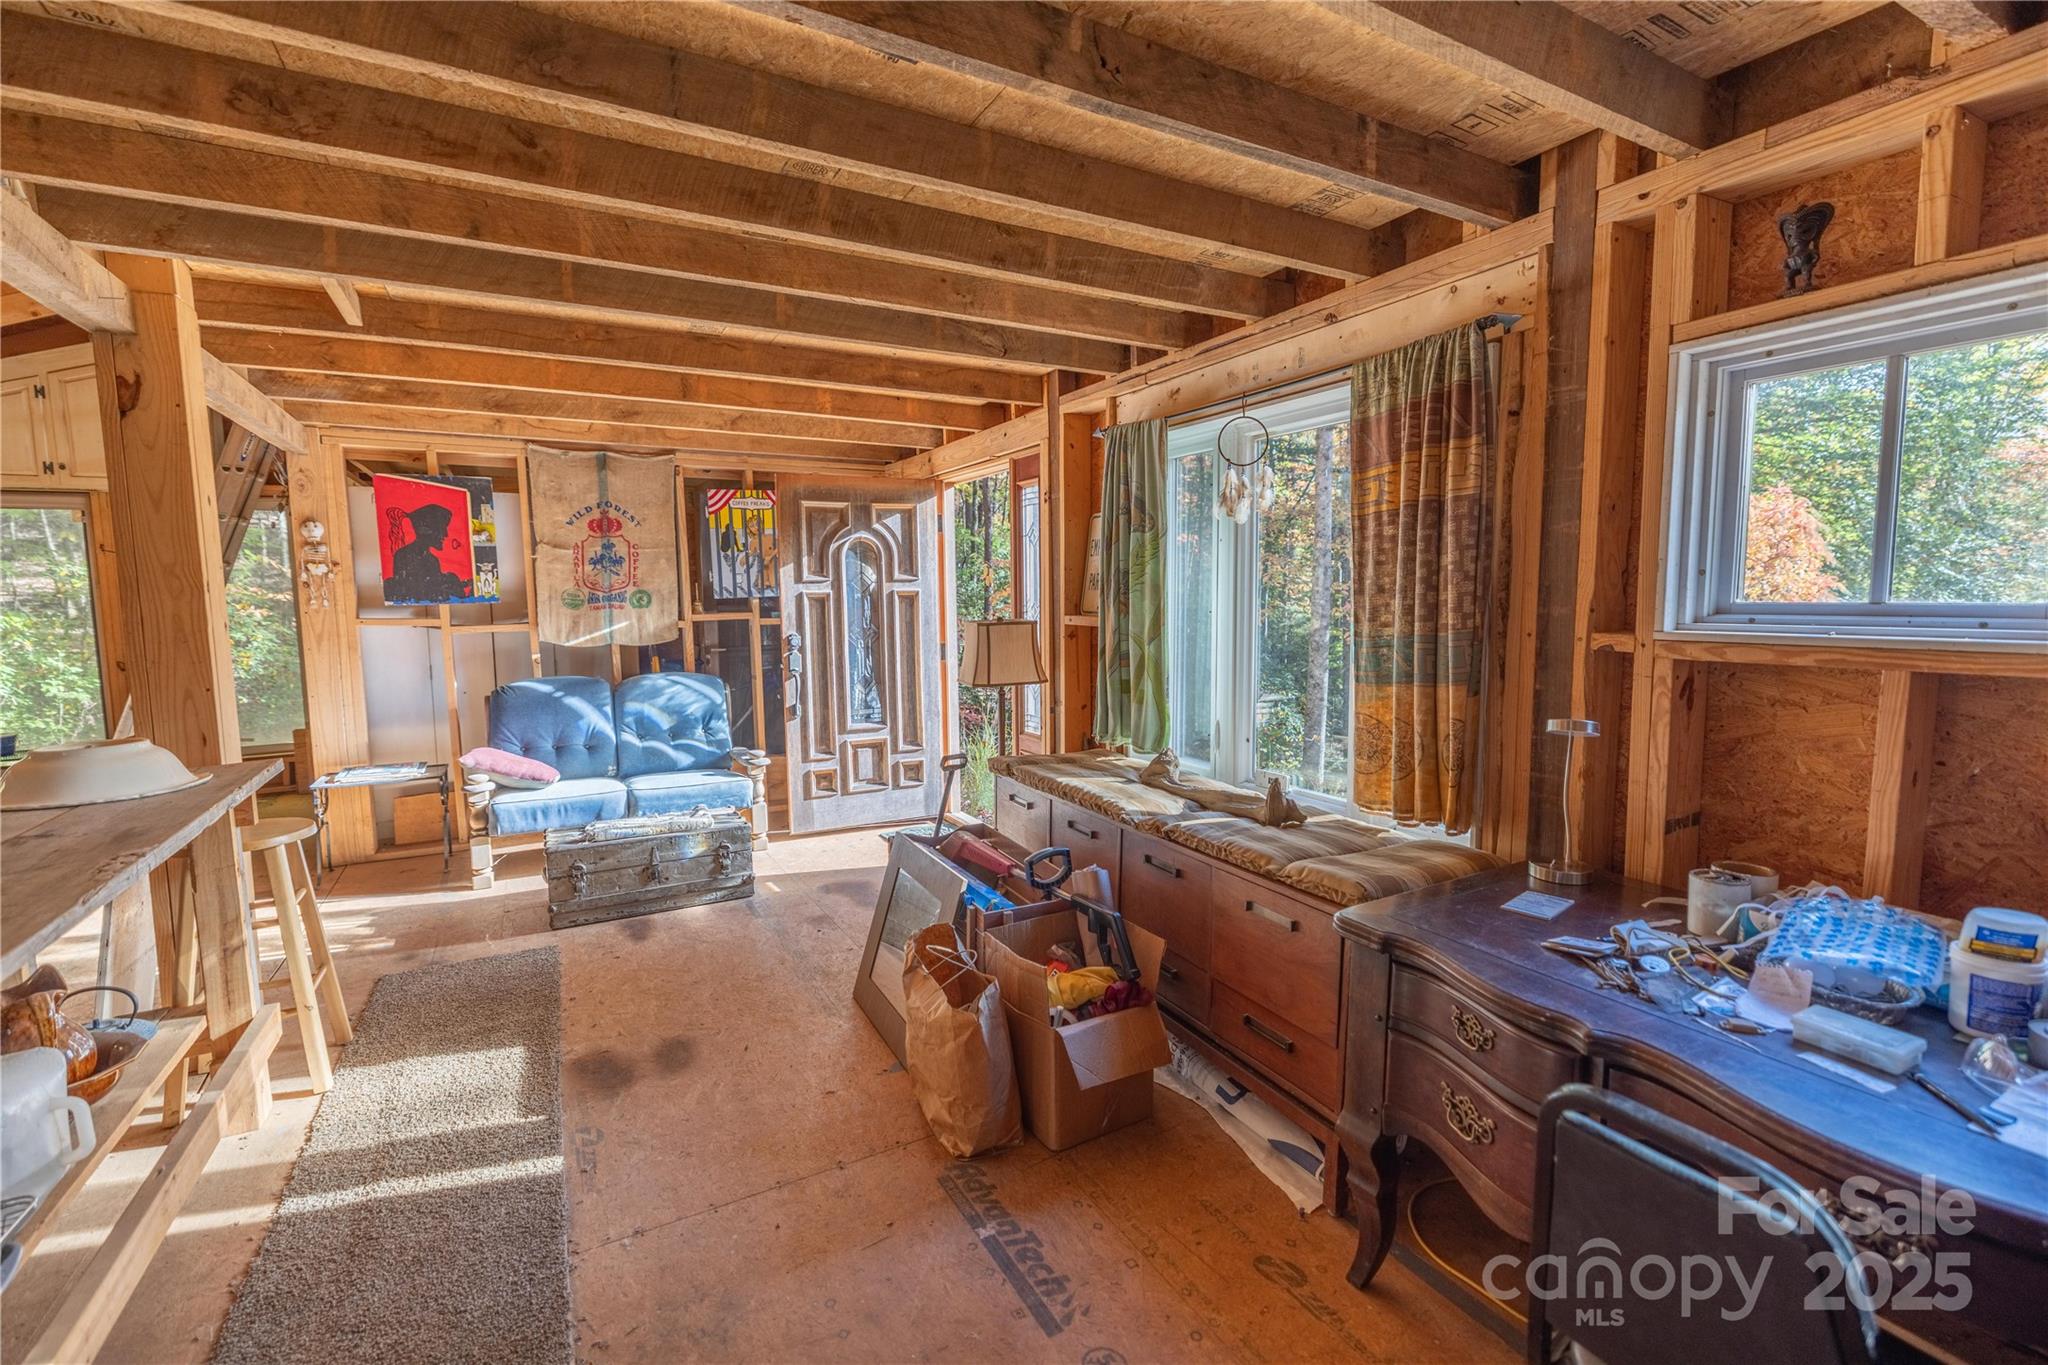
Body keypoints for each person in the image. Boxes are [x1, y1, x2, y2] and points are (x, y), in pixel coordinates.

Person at [386, 502, 471, 603]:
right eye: (441, 529)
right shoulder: (404, 555)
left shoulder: (432, 560)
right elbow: (414, 592)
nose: (445, 534)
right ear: (425, 530)